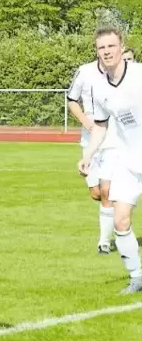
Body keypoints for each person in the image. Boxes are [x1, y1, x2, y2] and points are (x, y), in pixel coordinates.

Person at [80, 26, 142, 294]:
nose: (106, 51)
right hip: (128, 160)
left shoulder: (139, 75)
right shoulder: (97, 86)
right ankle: (137, 278)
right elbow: (101, 127)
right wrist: (88, 155)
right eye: (101, 48)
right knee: (121, 221)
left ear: (121, 47)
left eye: (111, 46)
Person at [67, 56, 120, 254]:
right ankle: (114, 213)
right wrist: (85, 121)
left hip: (114, 138)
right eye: (102, 48)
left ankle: (104, 241)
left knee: (107, 191)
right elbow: (72, 99)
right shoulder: (85, 71)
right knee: (96, 193)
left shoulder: (123, 73)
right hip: (90, 137)